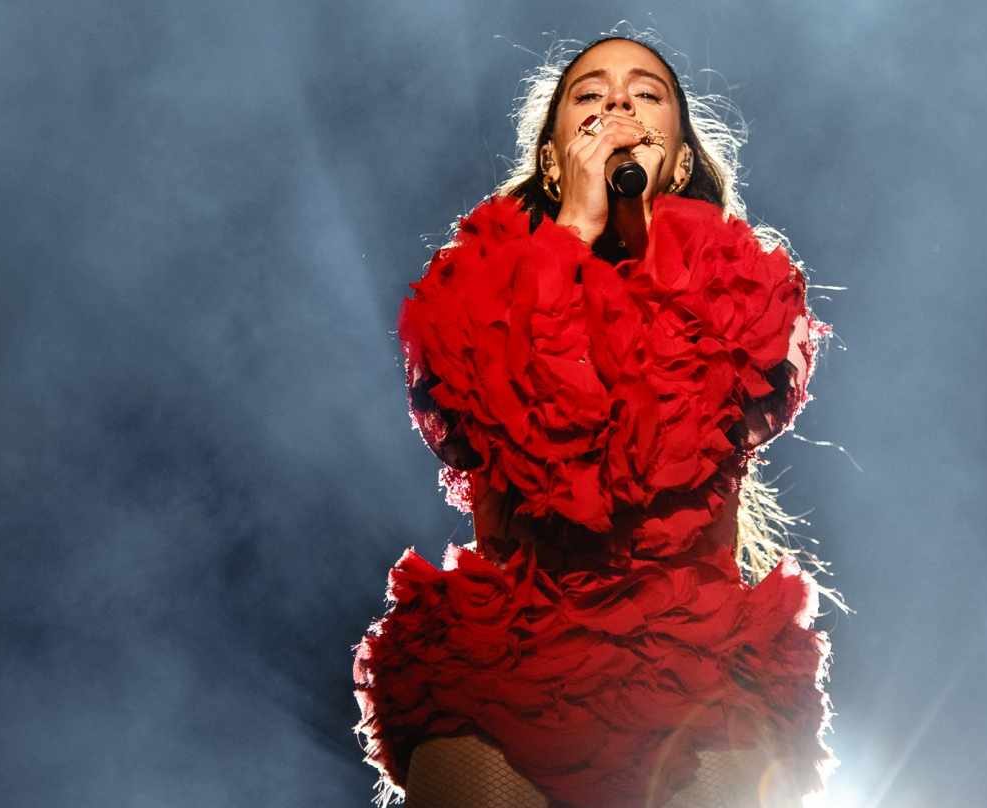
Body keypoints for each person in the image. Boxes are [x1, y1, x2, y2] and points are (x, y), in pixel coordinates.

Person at [352, 32, 840, 808]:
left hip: (695, 673)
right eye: (588, 94)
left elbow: (641, 459)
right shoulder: (467, 293)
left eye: (646, 93)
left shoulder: (750, 294)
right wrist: (570, 233)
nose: (616, 102)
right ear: (551, 159)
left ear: (678, 160)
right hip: (503, 668)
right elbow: (536, 448)